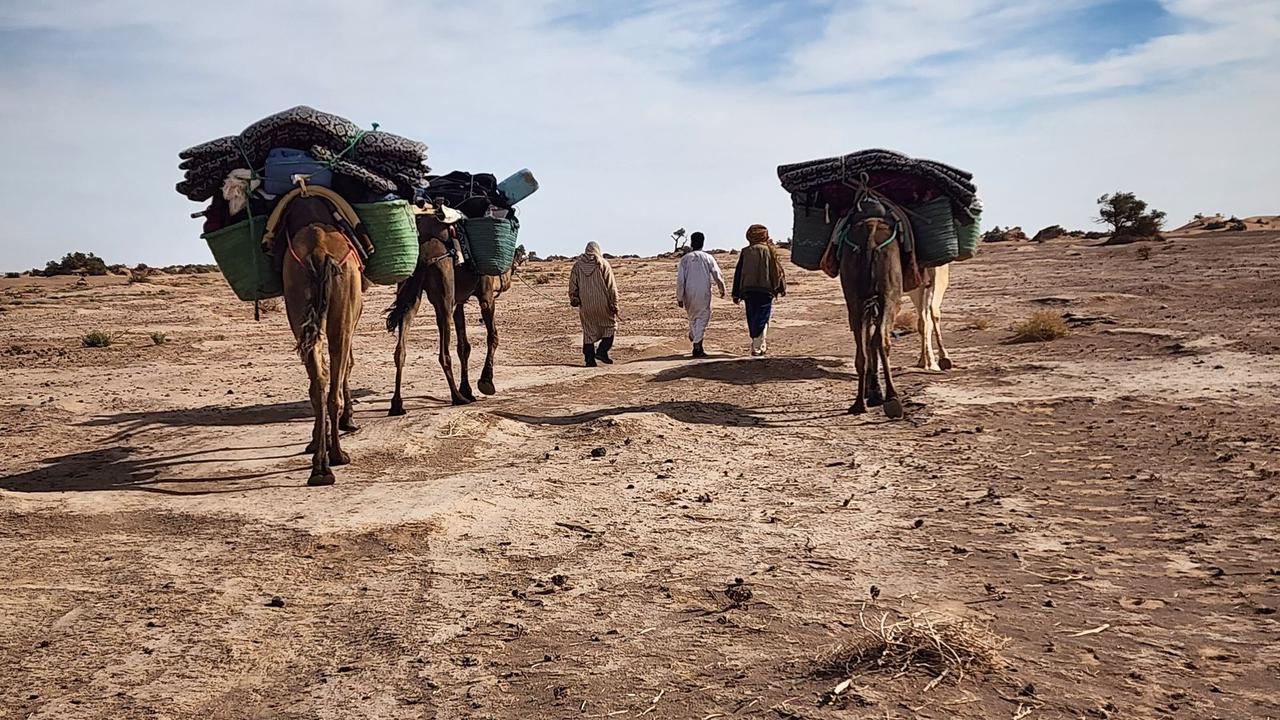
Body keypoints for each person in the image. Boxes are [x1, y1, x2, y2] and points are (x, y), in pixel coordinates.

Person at [732, 224, 786, 356]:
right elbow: (777, 271)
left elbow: (738, 273)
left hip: (748, 289)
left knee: (753, 317)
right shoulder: (770, 251)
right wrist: (780, 287)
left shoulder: (746, 251)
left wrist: (735, 293)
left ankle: (758, 345)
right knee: (762, 316)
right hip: (766, 289)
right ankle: (759, 345)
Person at [569, 241, 620, 367]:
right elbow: (611, 286)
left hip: (586, 304)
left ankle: (589, 360)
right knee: (610, 326)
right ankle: (602, 351)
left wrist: (574, 297)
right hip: (603, 303)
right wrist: (614, 303)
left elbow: (572, 284)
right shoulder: (603, 264)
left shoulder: (577, 266)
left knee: (588, 330)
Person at [675, 231, 726, 358]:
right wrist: (722, 289)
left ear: (692, 243)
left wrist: (679, 297)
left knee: (693, 317)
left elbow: (680, 280)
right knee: (703, 317)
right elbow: (717, 275)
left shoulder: (685, 259)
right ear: (703, 243)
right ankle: (697, 346)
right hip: (703, 293)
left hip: (688, 293)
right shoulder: (708, 258)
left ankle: (694, 335)